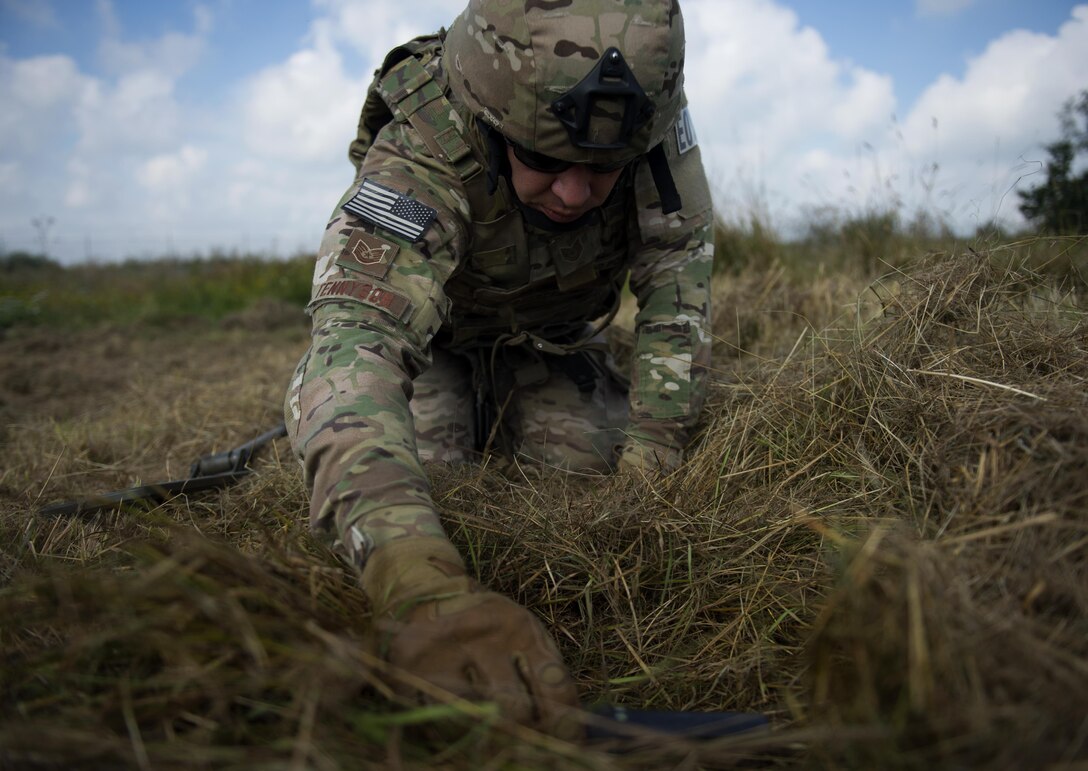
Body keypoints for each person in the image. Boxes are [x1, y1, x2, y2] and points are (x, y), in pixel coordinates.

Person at [285, 0, 713, 738]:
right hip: (438, 346)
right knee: (431, 478)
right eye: (544, 159)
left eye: (602, 167)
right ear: (488, 121)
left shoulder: (647, 124)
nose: (576, 193)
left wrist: (653, 468)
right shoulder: (424, 144)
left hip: (554, 342)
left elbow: (678, 278)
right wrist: (414, 580)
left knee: (581, 475)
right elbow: (355, 345)